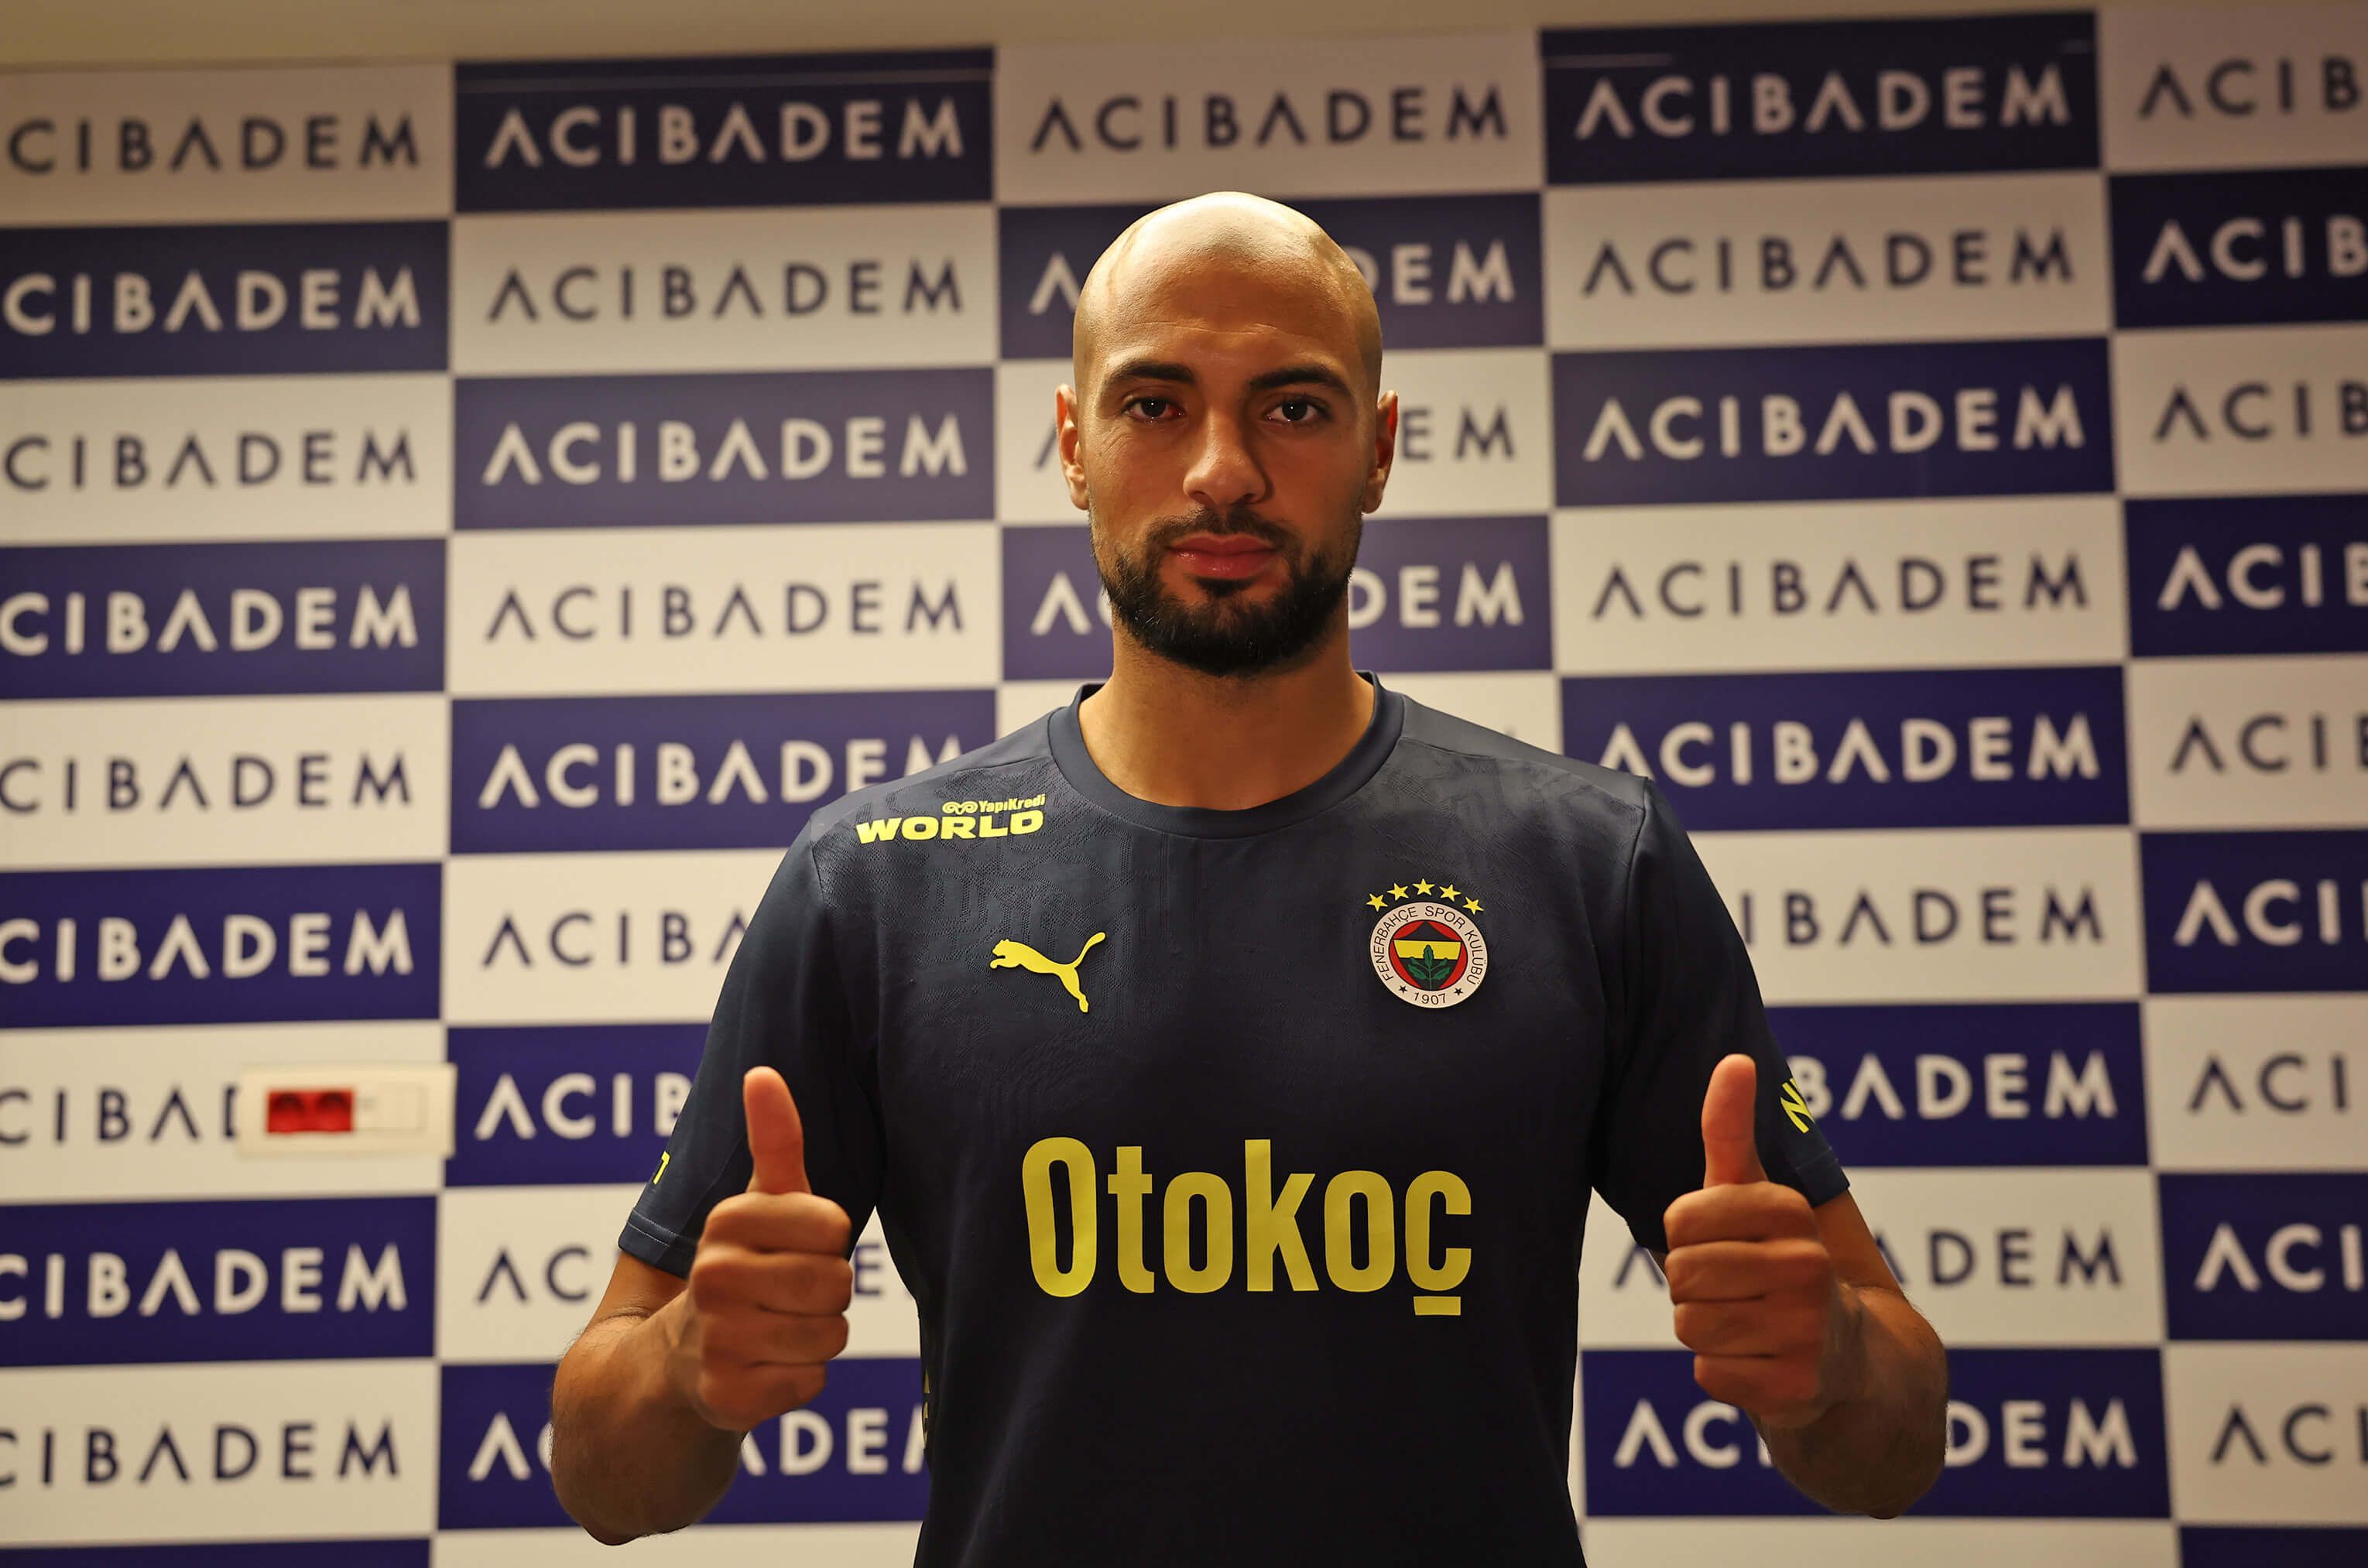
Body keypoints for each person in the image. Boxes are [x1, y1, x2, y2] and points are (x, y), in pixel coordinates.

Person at [547, 190, 1948, 1563]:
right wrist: (685, 1367)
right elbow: (604, 1473)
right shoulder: (875, 883)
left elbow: (1898, 1437)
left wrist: (1825, 1360)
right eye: (1155, 403)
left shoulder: (1588, 859)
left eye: (1295, 404)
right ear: (1075, 445)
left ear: (1381, 448)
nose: (1223, 468)